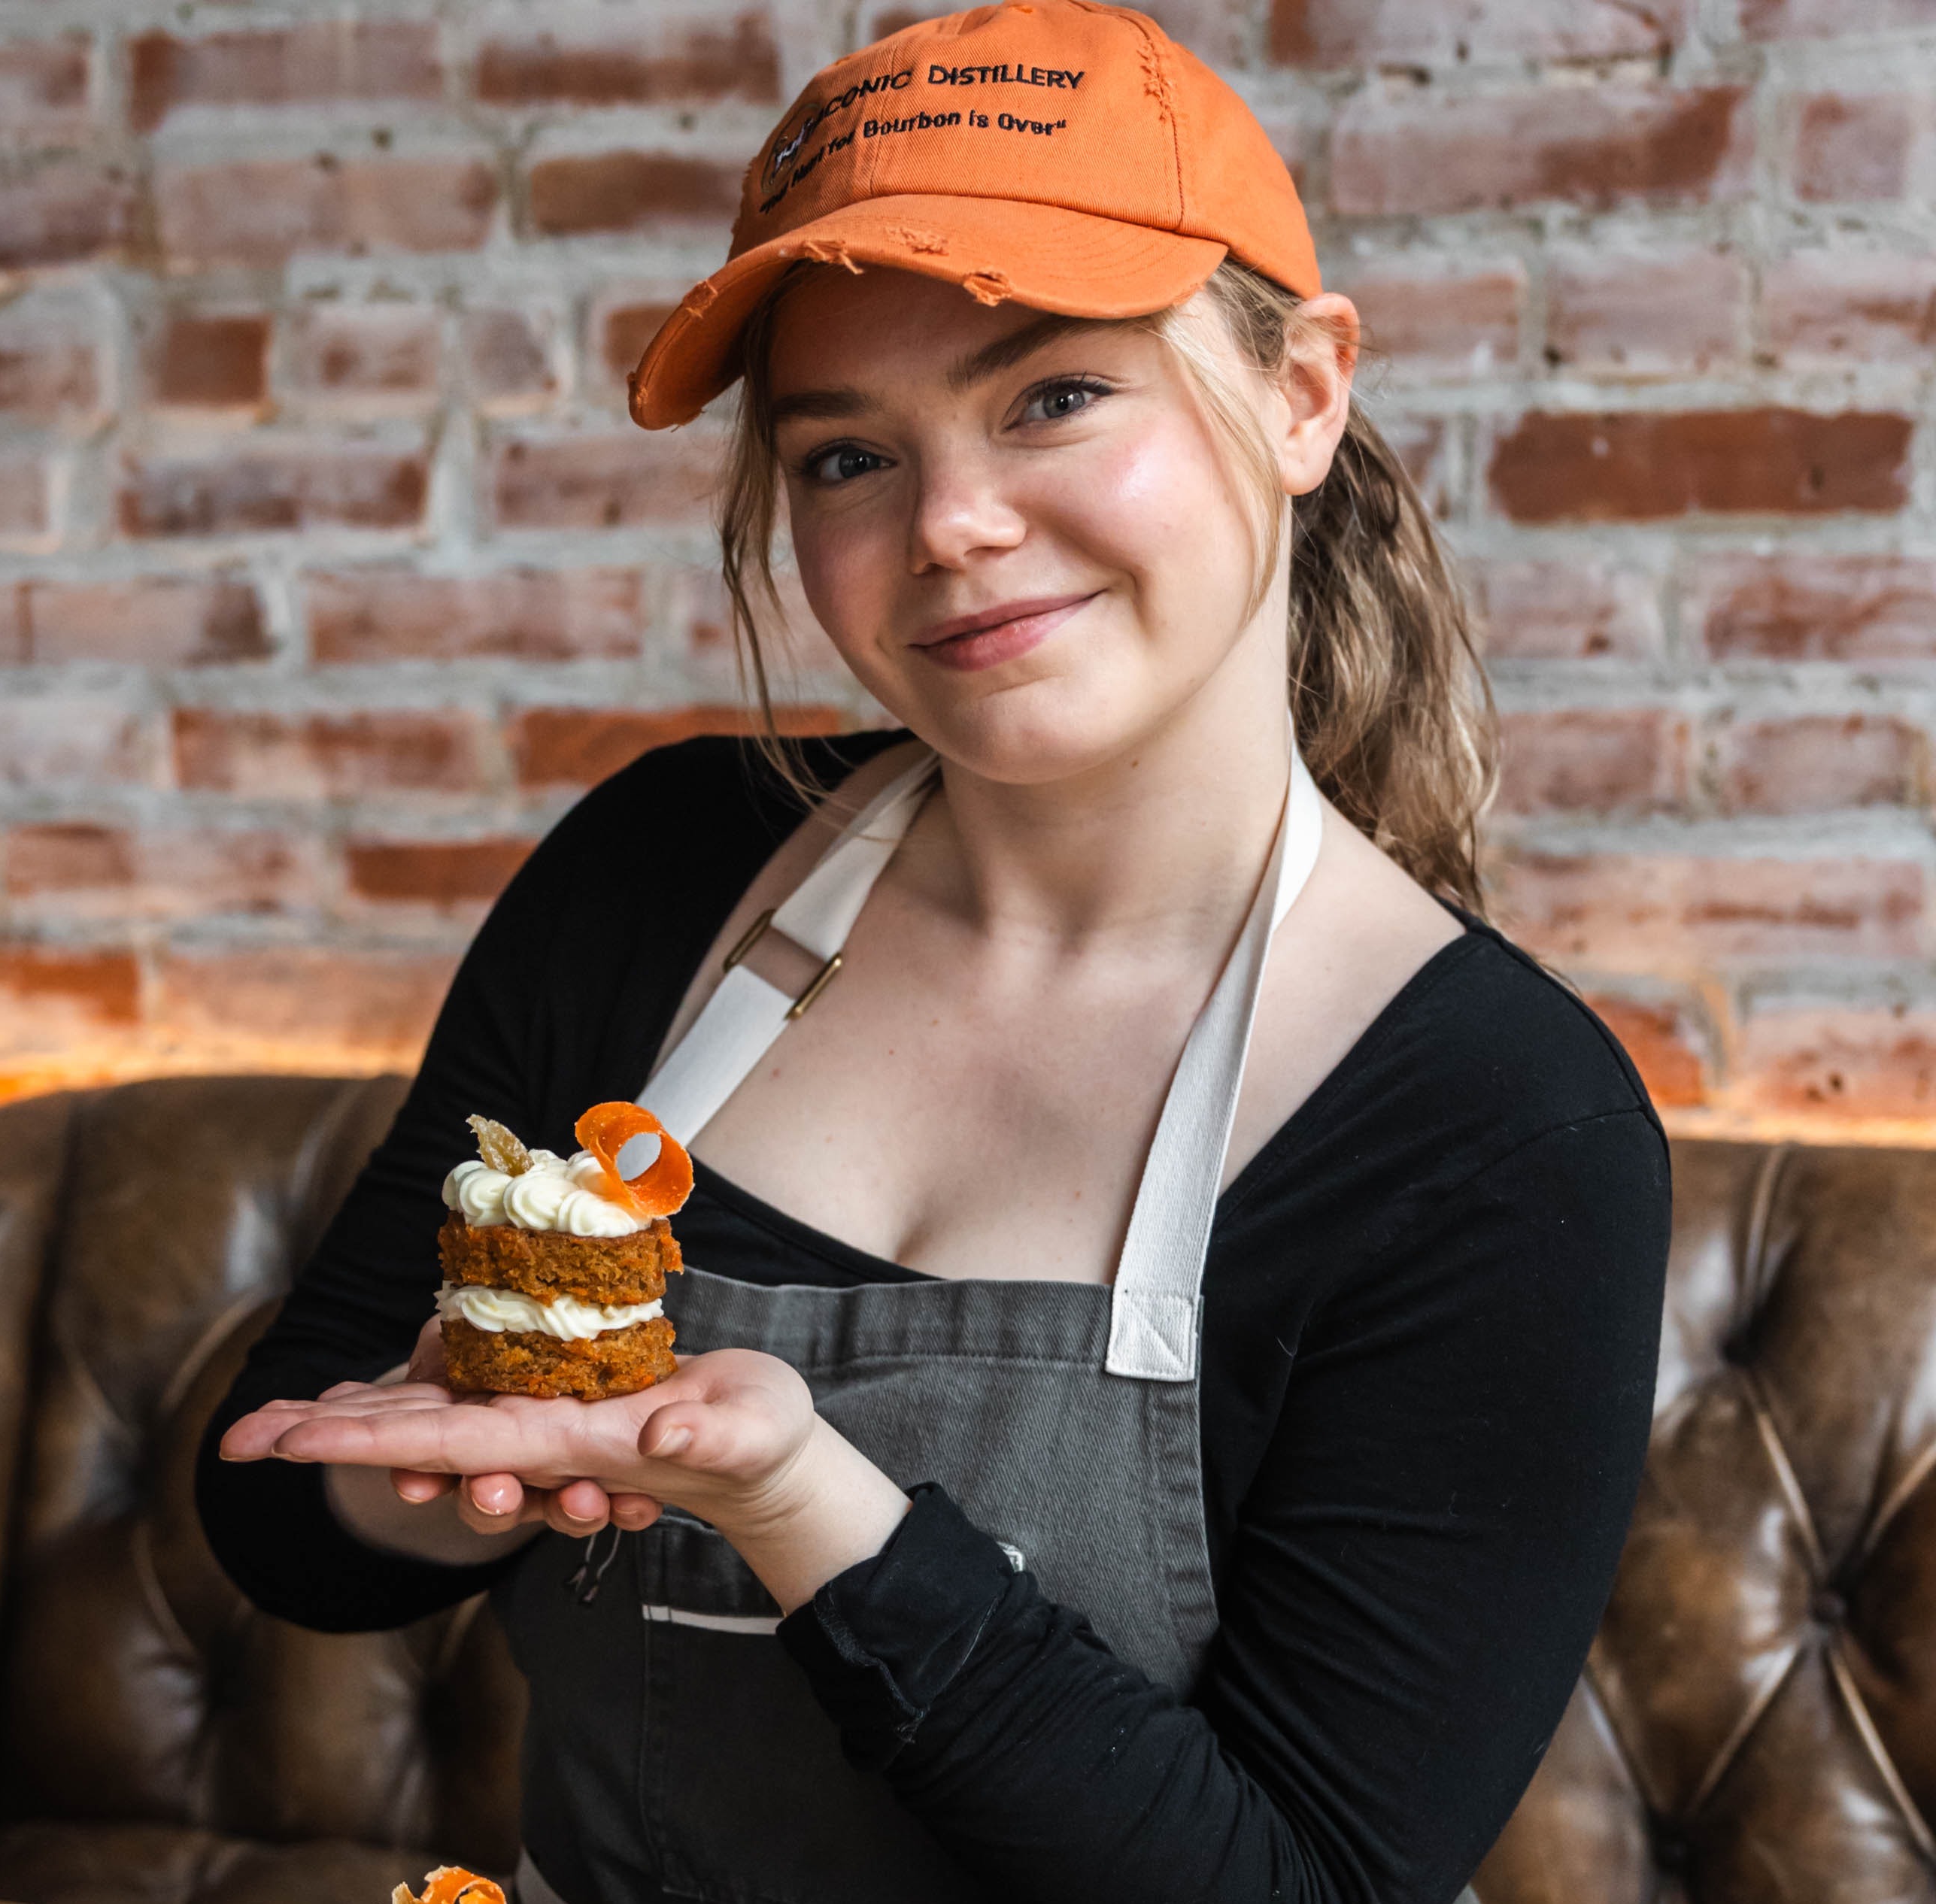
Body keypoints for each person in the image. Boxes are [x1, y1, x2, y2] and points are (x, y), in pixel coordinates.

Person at [198, 4, 1672, 1900]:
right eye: (843, 460)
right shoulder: (659, 874)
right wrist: (462, 1448)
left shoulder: (1500, 1130)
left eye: (1053, 396)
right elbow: (286, 1521)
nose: (953, 526)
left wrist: (801, 1503)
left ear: (1301, 394)